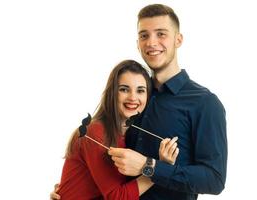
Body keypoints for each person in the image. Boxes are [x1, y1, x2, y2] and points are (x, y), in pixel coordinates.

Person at [107, 4, 228, 200]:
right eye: (144, 35)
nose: (151, 42)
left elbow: (214, 180)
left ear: (178, 40)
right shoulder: (133, 97)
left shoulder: (205, 103)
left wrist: (150, 167)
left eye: (161, 34)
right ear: (137, 43)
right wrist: (76, 187)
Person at [51, 60, 180, 200]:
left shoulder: (128, 134)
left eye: (140, 90)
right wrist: (158, 169)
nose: (133, 98)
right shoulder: (96, 132)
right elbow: (117, 197)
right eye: (124, 89)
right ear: (112, 93)